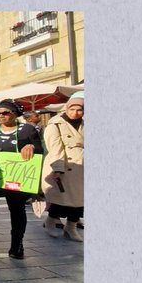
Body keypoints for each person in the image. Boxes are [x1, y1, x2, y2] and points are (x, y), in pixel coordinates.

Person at [0, 99, 43, 259]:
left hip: (17, 177)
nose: (1, 116)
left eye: (5, 112)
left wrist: (30, 147)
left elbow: (39, 151)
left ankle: (17, 245)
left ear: (15, 113)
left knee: (17, 210)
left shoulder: (27, 130)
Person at [42, 92, 84, 240]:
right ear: (66, 108)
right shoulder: (55, 124)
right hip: (65, 165)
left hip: (82, 165)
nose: (75, 113)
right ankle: (50, 221)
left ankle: (71, 228)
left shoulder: (85, 123)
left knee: (80, 200)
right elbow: (55, 148)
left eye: (79, 110)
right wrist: (58, 168)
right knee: (64, 199)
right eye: (72, 109)